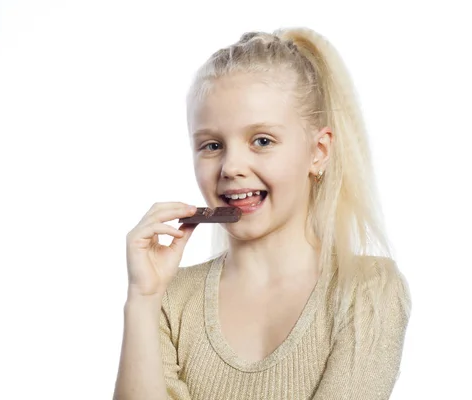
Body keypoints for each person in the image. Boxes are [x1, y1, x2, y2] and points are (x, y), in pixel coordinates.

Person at [113, 26, 412, 400]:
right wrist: (143, 298)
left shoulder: (367, 290)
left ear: (318, 152)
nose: (231, 166)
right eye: (211, 145)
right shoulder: (169, 299)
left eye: (262, 141)